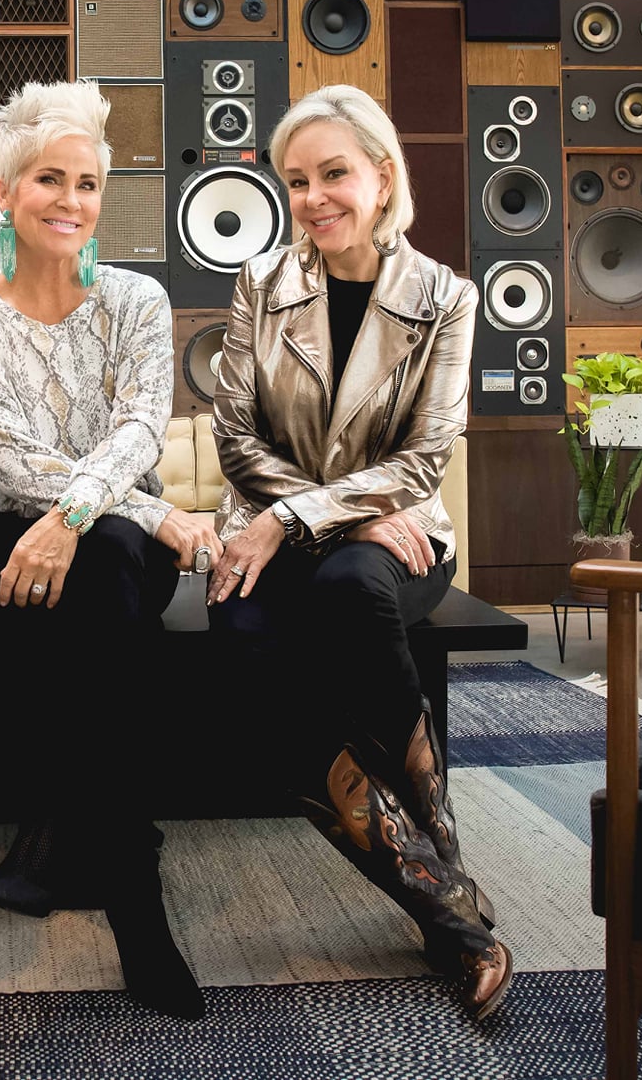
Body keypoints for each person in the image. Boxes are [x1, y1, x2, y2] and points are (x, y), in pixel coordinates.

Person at [207, 84, 513, 1021]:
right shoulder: (261, 285)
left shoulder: (447, 297)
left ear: (382, 176)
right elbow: (234, 436)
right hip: (278, 526)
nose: (313, 197)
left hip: (395, 536)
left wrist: (305, 518)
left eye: (333, 173)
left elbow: (425, 458)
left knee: (352, 586)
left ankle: (446, 893)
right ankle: (445, 895)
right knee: (244, 639)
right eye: (296, 180)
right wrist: (322, 514)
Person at [0, 80, 222, 1022]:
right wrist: (144, 514)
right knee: (108, 574)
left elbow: (143, 426)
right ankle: (132, 870)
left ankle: (76, 841)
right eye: (49, 179)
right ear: (4, 192)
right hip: (9, 542)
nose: (70, 200)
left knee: (105, 562)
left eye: (88, 183)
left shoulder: (137, 299)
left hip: (110, 547)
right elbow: (10, 460)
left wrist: (84, 515)